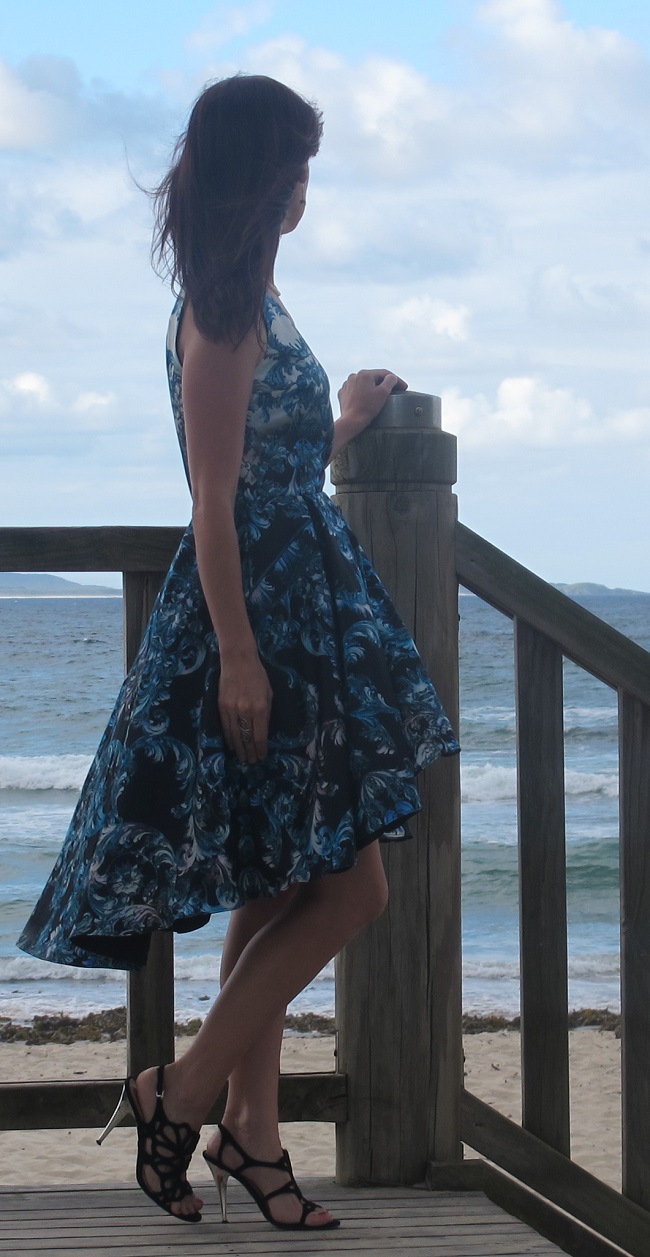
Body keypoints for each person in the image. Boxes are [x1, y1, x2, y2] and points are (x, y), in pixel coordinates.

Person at [18, 74, 459, 1231]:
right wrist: (238, 658)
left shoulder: (259, 296)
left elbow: (270, 461)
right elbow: (211, 501)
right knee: (350, 888)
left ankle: (251, 1139)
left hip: (299, 618)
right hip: (253, 624)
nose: (305, 190)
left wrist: (342, 424)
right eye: (294, 170)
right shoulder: (216, 314)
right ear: (258, 181)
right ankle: (181, 1093)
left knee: (280, 885)